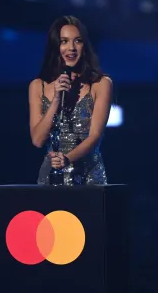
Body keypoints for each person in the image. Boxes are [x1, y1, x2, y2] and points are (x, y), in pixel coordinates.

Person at [29, 15, 113, 185]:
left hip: (89, 178)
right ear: (56, 46)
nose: (71, 48)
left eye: (78, 41)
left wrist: (67, 159)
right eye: (64, 42)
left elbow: (95, 136)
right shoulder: (38, 86)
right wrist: (56, 100)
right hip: (52, 177)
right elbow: (37, 140)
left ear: (84, 46)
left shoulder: (101, 84)